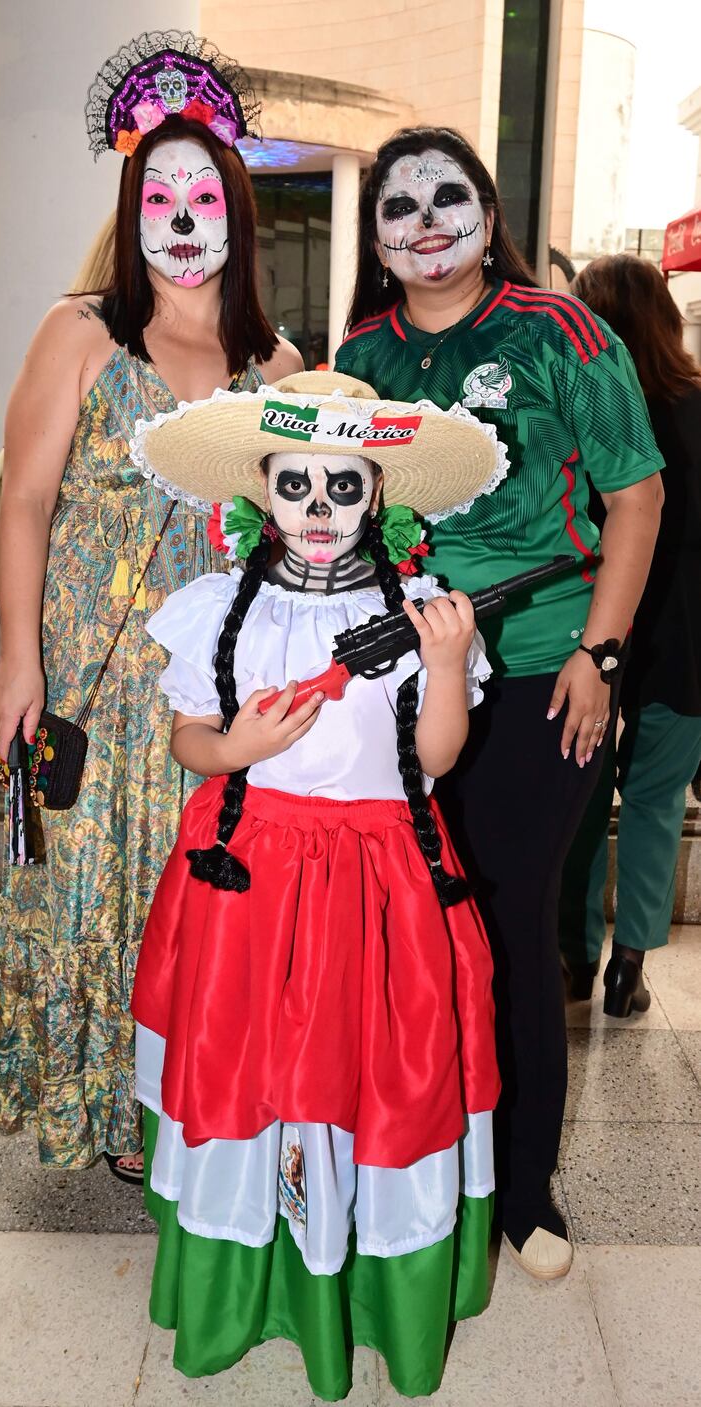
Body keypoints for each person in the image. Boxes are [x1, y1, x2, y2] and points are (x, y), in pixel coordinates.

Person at [129, 371, 503, 1400]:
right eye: (296, 485)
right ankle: (247, 1287)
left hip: (380, 885)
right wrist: (234, 746)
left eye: (345, 485)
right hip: (248, 879)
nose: (320, 508)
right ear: (262, 488)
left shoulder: (419, 611)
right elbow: (189, 738)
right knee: (248, 1076)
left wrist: (447, 663)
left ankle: (364, 1287)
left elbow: (434, 759)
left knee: (371, 1077)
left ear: (377, 492)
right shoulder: (220, 608)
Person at [335, 126, 664, 1278]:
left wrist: (599, 657)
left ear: (487, 214)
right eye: (397, 205)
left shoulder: (557, 330)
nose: (424, 220)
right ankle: (420, 1168)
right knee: (411, 928)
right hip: (405, 681)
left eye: (447, 196)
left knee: (509, 922)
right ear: (375, 237)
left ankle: (522, 1192)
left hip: (542, 673)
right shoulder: (359, 354)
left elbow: (635, 497)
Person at [0, 32, 302, 1181]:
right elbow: (25, 503)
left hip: (211, 688)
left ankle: (180, 1100)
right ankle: (102, 1106)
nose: (179, 216)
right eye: (158, 195)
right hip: (85, 670)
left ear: (236, 214)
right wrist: (18, 662)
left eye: (202, 195)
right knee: (84, 878)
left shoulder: (276, 364)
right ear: (132, 210)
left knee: (194, 886)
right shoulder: (80, 332)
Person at [559, 254, 701, 1015]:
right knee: (655, 801)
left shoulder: (586, 407)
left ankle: (576, 957)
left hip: (593, 632)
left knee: (582, 800)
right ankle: (630, 965)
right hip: (687, 643)